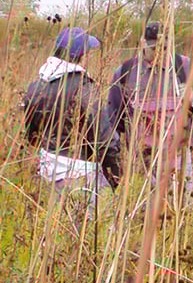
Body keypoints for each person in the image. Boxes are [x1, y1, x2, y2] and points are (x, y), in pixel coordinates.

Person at [107, 21, 193, 209]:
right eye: (153, 49)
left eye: (164, 48)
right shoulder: (126, 72)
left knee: (181, 210)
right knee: (143, 214)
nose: (159, 53)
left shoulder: (184, 67)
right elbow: (113, 119)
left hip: (180, 157)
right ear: (142, 43)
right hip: (142, 160)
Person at [22, 27, 122, 219]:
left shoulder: (36, 86)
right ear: (81, 55)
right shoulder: (84, 89)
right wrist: (115, 176)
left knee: (52, 232)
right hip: (79, 177)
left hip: (45, 175)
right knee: (93, 232)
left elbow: (31, 136)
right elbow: (105, 139)